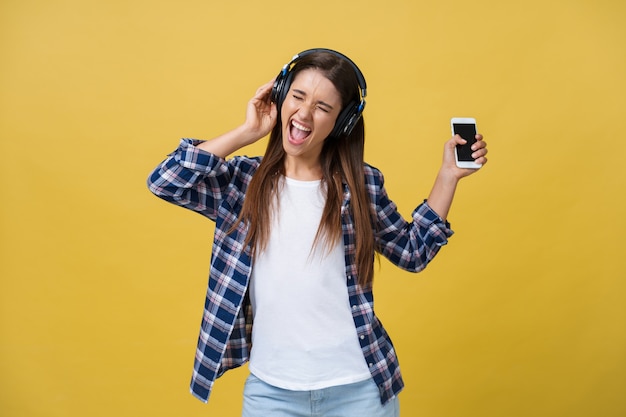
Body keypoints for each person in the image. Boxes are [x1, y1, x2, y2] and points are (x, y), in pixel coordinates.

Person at [147, 48, 488, 417]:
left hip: (359, 391)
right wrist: (247, 132)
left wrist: (447, 176)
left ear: (341, 123)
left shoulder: (360, 185)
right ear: (280, 97)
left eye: (323, 107)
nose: (305, 113)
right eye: (297, 96)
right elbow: (165, 182)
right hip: (271, 393)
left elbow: (413, 252)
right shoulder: (243, 182)